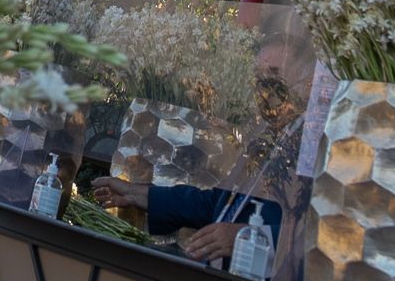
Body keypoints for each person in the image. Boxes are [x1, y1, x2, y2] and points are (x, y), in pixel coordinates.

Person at [86, 33, 310, 267]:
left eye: (274, 74)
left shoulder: (314, 147)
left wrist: (248, 237)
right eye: (258, 76)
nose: (264, 87)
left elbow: (323, 236)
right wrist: (136, 193)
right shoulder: (265, 136)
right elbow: (216, 203)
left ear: (307, 83)